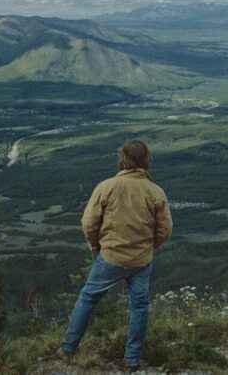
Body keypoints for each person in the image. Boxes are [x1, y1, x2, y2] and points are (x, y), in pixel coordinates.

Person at [59, 140, 173, 370]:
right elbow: (165, 230)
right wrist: (151, 247)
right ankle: (131, 359)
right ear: (145, 161)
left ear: (123, 159)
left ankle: (68, 348)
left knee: (89, 298)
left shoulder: (107, 186)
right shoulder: (155, 191)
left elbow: (88, 222)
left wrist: (96, 246)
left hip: (110, 257)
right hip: (141, 261)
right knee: (139, 306)